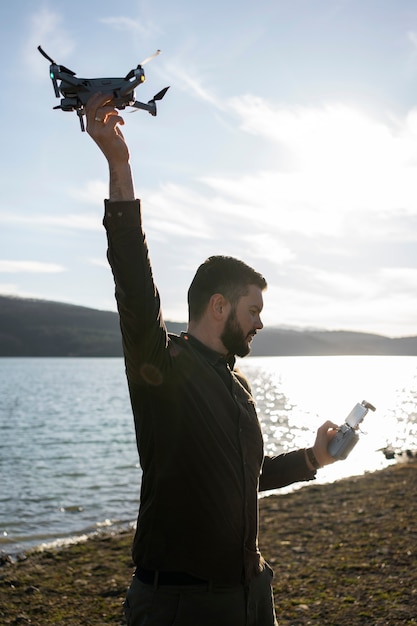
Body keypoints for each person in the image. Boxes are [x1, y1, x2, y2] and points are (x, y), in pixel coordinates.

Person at [84, 92, 338, 626]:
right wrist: (119, 165)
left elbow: (249, 477)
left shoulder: (236, 382)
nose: (260, 322)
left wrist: (314, 459)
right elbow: (133, 279)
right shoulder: (163, 365)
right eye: (253, 310)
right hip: (178, 606)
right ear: (218, 306)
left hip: (248, 595)